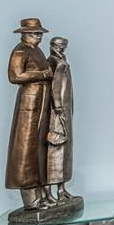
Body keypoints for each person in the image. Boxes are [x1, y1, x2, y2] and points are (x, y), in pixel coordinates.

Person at [6, 18, 53, 211]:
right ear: (24, 34)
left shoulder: (36, 50)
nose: (38, 37)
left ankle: (41, 195)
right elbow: (15, 76)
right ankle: (30, 199)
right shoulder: (20, 51)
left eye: (40, 33)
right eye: (35, 33)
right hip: (28, 102)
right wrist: (42, 75)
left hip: (40, 102)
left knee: (38, 146)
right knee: (25, 147)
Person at [46, 36, 75, 202]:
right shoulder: (53, 61)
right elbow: (54, 86)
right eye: (59, 45)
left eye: (64, 45)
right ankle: (48, 192)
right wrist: (57, 106)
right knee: (54, 148)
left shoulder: (61, 60)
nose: (62, 48)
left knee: (64, 150)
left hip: (64, 108)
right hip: (57, 111)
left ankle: (62, 190)